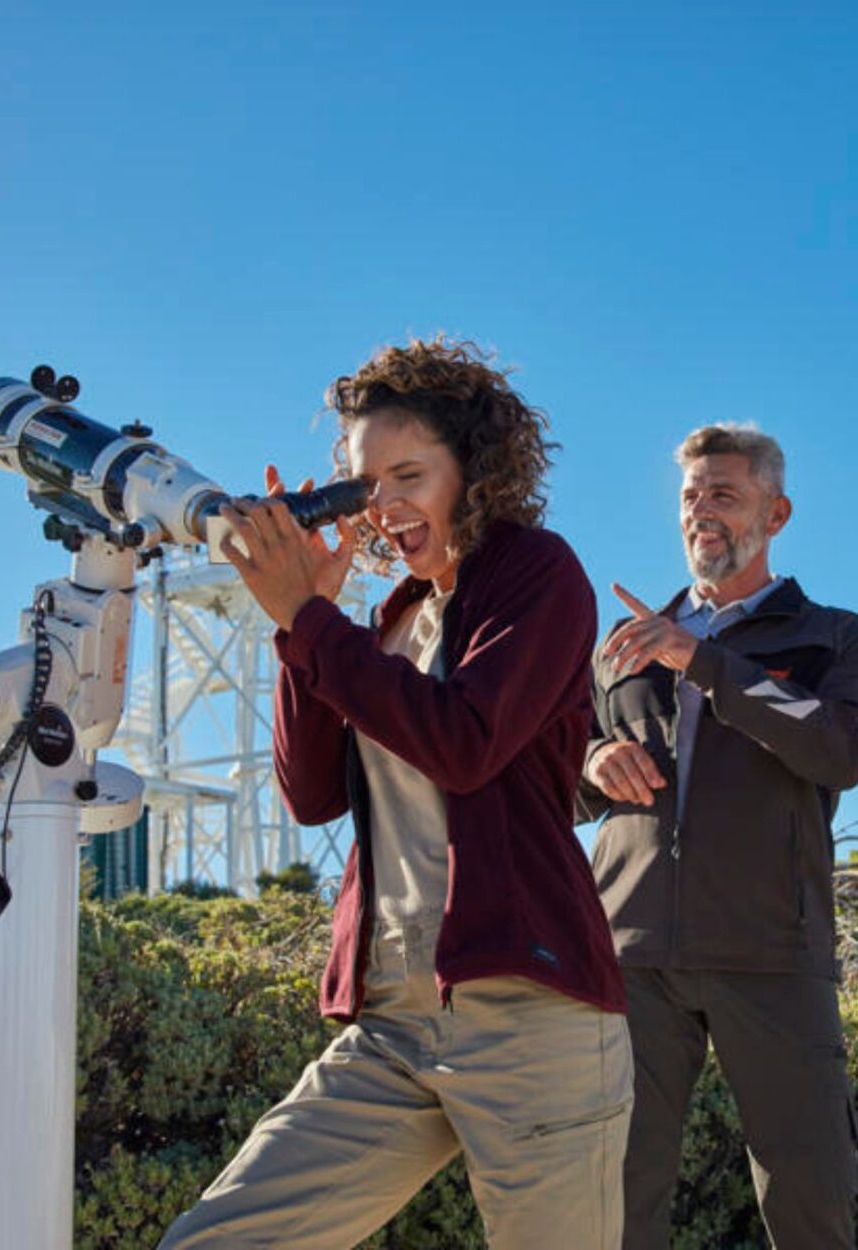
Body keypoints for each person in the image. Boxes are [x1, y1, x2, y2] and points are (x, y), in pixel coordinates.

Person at [158, 338, 632, 1250]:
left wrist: (310, 622)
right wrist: (304, 629)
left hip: (531, 1017)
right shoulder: (389, 620)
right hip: (393, 1024)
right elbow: (310, 795)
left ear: (477, 470)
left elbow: (465, 743)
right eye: (366, 484)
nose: (384, 506)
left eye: (409, 475)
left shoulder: (537, 575)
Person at [576, 422, 858, 1249]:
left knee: (812, 1197)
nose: (702, 511)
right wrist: (591, 761)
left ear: (777, 514)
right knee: (614, 1198)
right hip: (629, 954)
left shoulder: (833, 637)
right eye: (691, 496)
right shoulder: (620, 650)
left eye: (725, 495)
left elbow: (838, 750)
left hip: (772, 951)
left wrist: (703, 662)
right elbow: (554, 780)